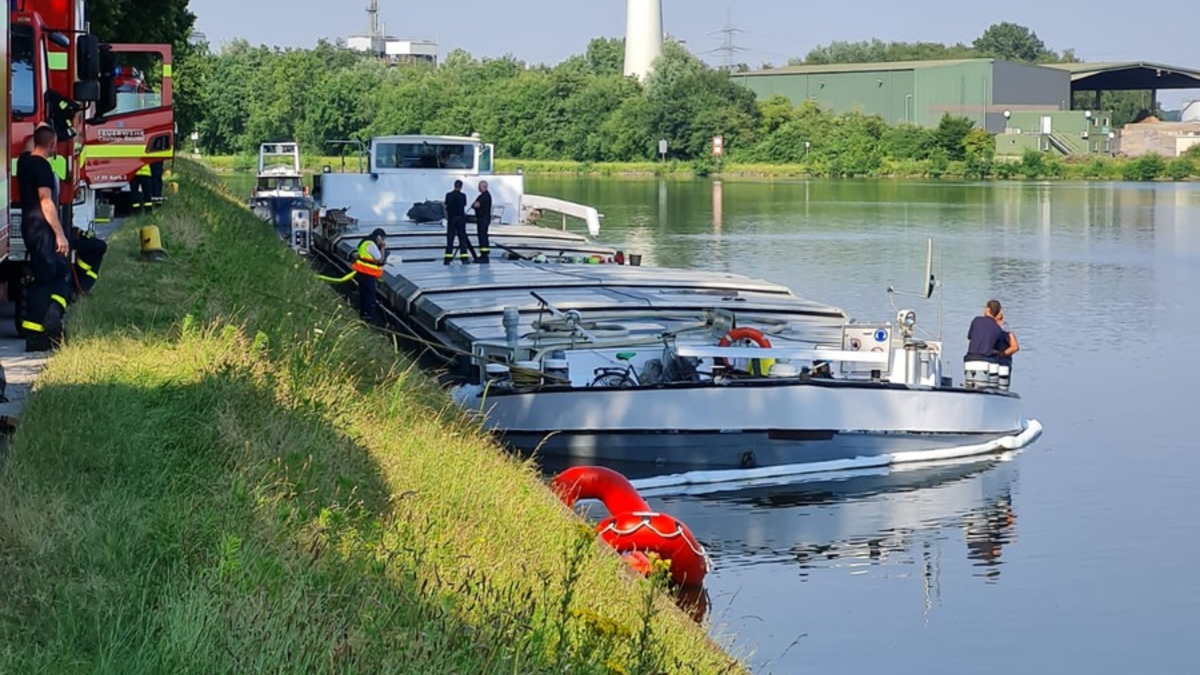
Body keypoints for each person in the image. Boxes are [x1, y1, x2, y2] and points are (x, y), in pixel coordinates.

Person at [17, 125, 71, 352]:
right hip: (42, 229)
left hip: (30, 226)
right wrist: (60, 234)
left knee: (51, 272)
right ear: (52, 144)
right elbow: (46, 201)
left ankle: (43, 327)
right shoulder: (43, 168)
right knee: (50, 276)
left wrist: (40, 127)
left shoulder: (24, 161)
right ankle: (42, 330)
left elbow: (29, 145)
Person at [964, 299, 1006, 389]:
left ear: (988, 309)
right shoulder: (998, 329)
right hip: (987, 360)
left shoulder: (976, 320)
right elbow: (998, 348)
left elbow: (970, 336)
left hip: (970, 358)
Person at [352, 228, 388, 323]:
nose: (383, 241)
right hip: (368, 274)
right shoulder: (371, 245)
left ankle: (363, 315)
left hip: (361, 273)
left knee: (363, 295)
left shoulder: (364, 242)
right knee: (370, 297)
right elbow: (380, 259)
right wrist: (382, 248)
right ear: (378, 237)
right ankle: (369, 319)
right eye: (382, 239)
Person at [443, 179, 475, 264]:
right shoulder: (463, 196)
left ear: (454, 185)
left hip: (451, 219)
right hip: (460, 219)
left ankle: (448, 258)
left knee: (450, 239)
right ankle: (464, 258)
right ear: (461, 187)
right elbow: (464, 204)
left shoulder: (448, 195)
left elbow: (446, 206)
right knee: (462, 239)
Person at [994, 309, 1020, 391]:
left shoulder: (1004, 329)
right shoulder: (997, 328)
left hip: (1003, 363)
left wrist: (1001, 354)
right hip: (997, 364)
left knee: (1001, 387)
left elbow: (1015, 347)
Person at [471, 180, 493, 264]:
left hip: (483, 219)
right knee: (482, 236)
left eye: (479, 186)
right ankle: (483, 254)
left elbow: (475, 205)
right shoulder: (484, 195)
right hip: (483, 219)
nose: (478, 188)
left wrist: (474, 205)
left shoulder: (484, 196)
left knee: (482, 237)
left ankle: (484, 255)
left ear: (484, 187)